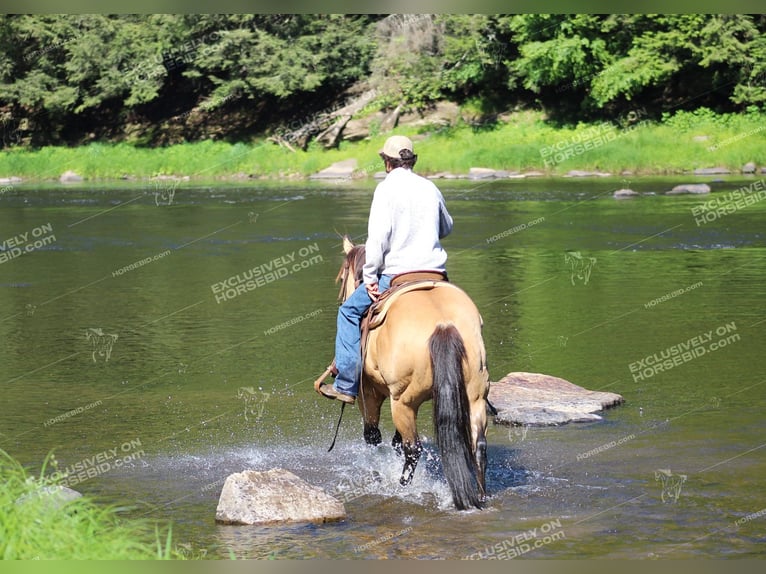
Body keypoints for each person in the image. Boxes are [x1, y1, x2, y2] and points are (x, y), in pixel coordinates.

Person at [318, 135, 453, 404]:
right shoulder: (429, 187)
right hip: (437, 274)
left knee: (347, 312)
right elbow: (447, 227)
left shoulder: (385, 190)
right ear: (412, 160)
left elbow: (377, 241)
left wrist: (369, 278)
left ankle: (346, 384)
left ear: (386, 162)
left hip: (397, 275)